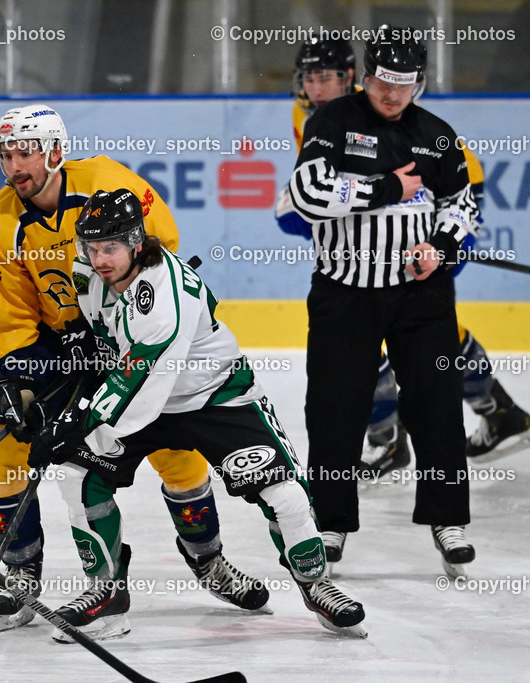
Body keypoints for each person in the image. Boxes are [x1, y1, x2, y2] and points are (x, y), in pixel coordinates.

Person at [0, 104, 269, 635]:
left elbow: (160, 255)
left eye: (26, 153)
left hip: (123, 330)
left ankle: (208, 561)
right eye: (7, 155)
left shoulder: (110, 184)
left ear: (54, 152)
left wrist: (118, 326)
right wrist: (19, 376)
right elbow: (13, 308)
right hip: (54, 344)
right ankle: (20, 572)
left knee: (174, 446)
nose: (15, 165)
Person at [27, 188, 366, 641]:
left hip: (213, 394)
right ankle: (106, 595)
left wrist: (79, 422)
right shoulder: (87, 270)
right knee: (77, 475)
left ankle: (315, 583)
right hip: (145, 395)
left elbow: (139, 378)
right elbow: (102, 339)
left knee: (283, 492)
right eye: (91, 246)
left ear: (135, 242)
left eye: (110, 247)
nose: (100, 258)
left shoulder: (162, 297)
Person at [278, 35, 530, 484]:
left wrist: (442, 236)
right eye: (312, 78)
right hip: (383, 234)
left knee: (405, 324)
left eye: (330, 77)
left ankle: (392, 438)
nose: (319, 88)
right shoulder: (311, 116)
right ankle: (495, 411)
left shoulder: (378, 112)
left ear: (355, 78)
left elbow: (430, 181)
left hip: (444, 208)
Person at [289, 28, 479, 577]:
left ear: (419, 83)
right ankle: (330, 522)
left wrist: (439, 247)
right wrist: (386, 190)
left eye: (405, 85)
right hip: (344, 292)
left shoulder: (438, 135)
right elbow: (308, 196)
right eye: (383, 83)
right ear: (366, 76)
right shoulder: (332, 121)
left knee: (436, 405)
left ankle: (448, 519)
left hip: (420, 297)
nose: (392, 96)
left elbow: (460, 206)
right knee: (333, 408)